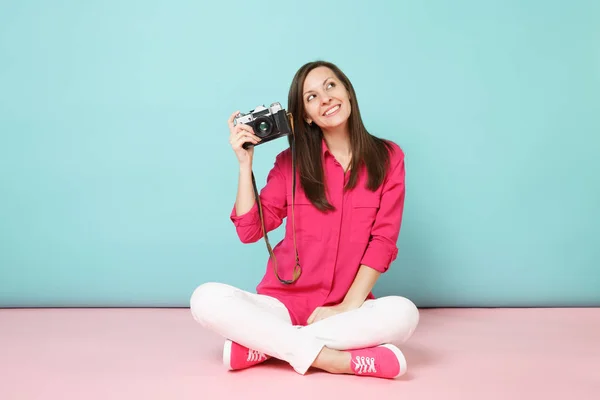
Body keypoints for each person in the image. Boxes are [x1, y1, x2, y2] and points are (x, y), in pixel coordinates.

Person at [190, 60, 419, 379]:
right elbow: (250, 230)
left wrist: (346, 307)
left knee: (404, 314)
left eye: (330, 86)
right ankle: (338, 361)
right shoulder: (289, 164)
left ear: (347, 92)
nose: (325, 98)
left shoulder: (389, 157)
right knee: (205, 298)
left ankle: (265, 347)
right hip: (281, 307)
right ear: (305, 117)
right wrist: (245, 166)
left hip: (346, 310)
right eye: (311, 97)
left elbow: (383, 241)